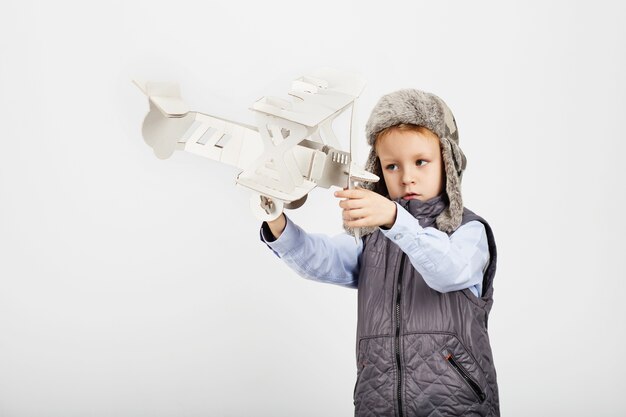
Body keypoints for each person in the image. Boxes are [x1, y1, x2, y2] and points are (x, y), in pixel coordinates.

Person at [260, 89, 499, 416]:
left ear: (447, 161)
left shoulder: (468, 232)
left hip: (456, 405)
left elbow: (448, 271)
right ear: (378, 169)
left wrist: (395, 219)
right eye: (392, 166)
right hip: (378, 403)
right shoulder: (374, 238)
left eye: (420, 162)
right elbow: (322, 258)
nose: (407, 176)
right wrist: (275, 219)